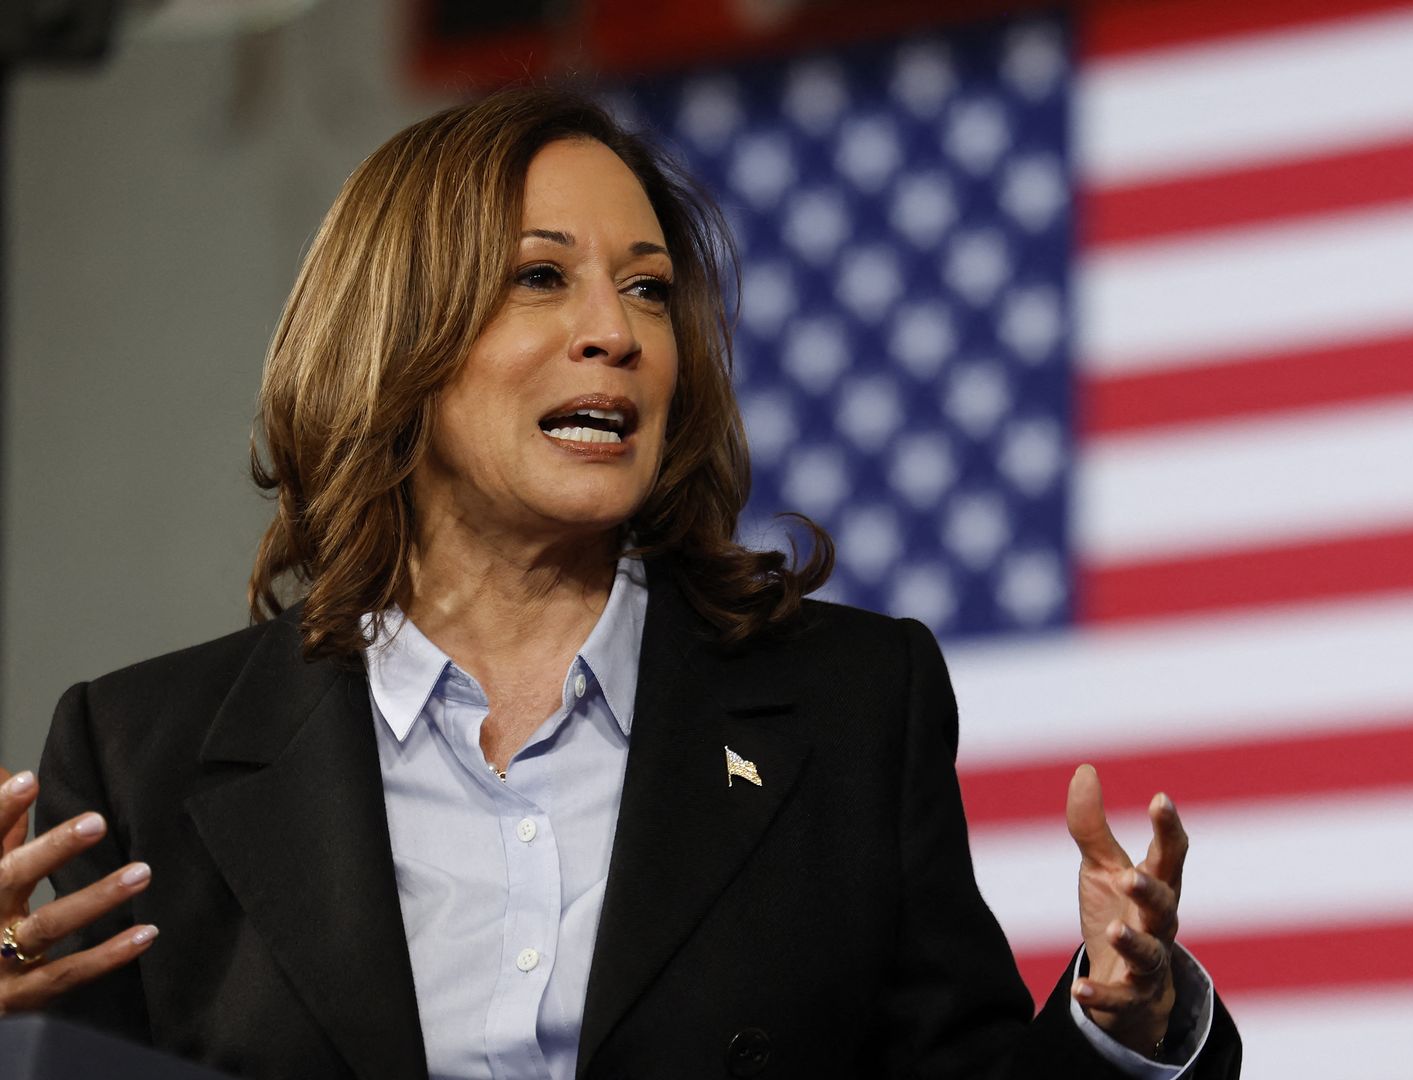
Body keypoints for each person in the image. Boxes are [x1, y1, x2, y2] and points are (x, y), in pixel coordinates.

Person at [0, 88, 1241, 1078]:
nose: (620, 332)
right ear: (397, 338)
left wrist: (1119, 1021)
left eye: (648, 286)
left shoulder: (855, 703)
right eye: (543, 277)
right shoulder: (141, 752)